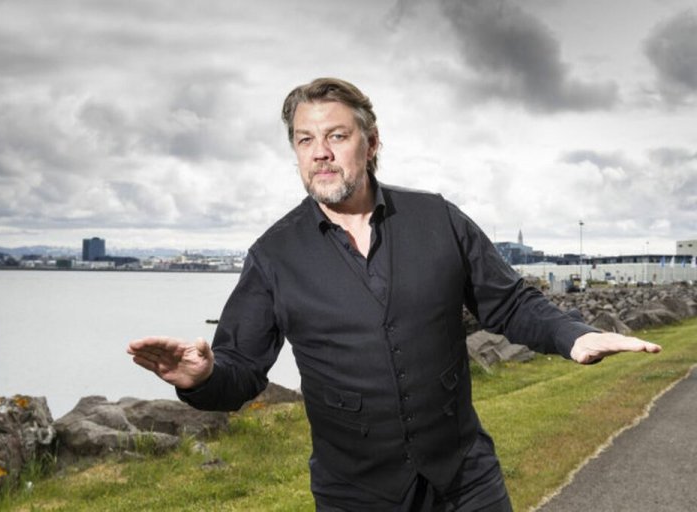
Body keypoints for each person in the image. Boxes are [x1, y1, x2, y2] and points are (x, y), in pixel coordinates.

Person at [127, 77, 661, 511]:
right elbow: (241, 369)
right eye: (305, 140)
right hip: (354, 496)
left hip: (467, 484)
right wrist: (202, 379)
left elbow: (511, 303)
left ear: (372, 142)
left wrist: (574, 336)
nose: (320, 153)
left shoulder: (438, 218)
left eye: (336, 136)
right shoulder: (273, 255)